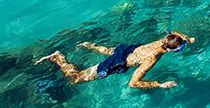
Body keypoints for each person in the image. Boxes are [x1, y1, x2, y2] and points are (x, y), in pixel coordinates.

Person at [34, 31, 193, 89]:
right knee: (76, 79)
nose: (180, 49)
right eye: (180, 48)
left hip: (128, 50)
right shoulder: (152, 59)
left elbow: (175, 33)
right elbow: (133, 83)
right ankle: (58, 57)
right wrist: (160, 85)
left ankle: (90, 45)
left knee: (112, 51)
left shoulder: (163, 40)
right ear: (172, 49)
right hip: (118, 63)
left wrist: (188, 39)